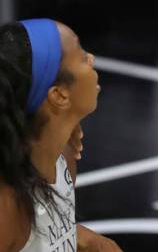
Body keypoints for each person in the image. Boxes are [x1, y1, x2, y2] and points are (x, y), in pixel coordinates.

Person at [0, 19, 122, 251]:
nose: (92, 59)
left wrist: (79, 235)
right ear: (59, 95)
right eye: (82, 56)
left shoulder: (62, 158)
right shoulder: (6, 208)